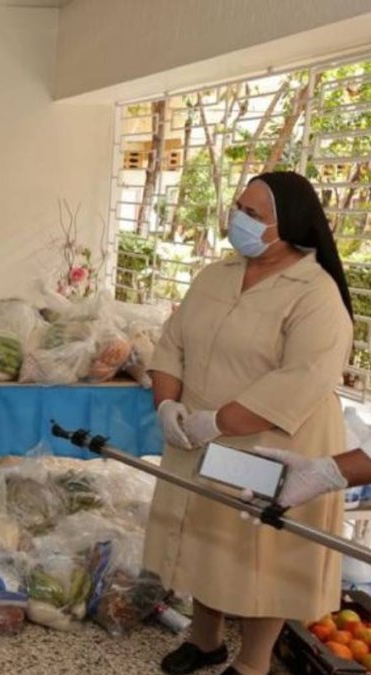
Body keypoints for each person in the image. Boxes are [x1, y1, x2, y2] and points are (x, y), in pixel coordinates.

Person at [149, 171, 354, 675]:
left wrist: (217, 422)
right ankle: (205, 639)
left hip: (271, 441)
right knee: (204, 537)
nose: (237, 219)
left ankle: (253, 663)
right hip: (196, 429)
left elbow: (299, 381)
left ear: (290, 226)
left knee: (262, 553)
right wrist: (167, 404)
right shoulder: (217, 274)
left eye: (253, 214)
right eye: (240, 207)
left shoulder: (315, 294)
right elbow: (172, 341)